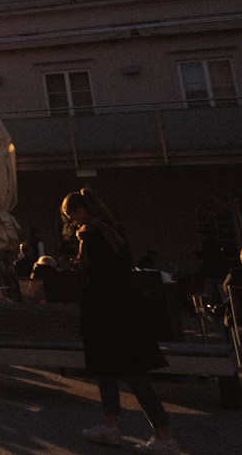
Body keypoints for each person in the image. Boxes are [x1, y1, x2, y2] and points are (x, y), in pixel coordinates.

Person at [62, 189, 178, 454]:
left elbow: (97, 275)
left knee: (129, 372)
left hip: (105, 311)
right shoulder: (112, 232)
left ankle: (163, 434)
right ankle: (111, 424)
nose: (72, 220)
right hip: (122, 308)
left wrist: (79, 269)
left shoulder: (92, 236)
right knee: (110, 370)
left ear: (84, 210)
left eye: (72, 214)